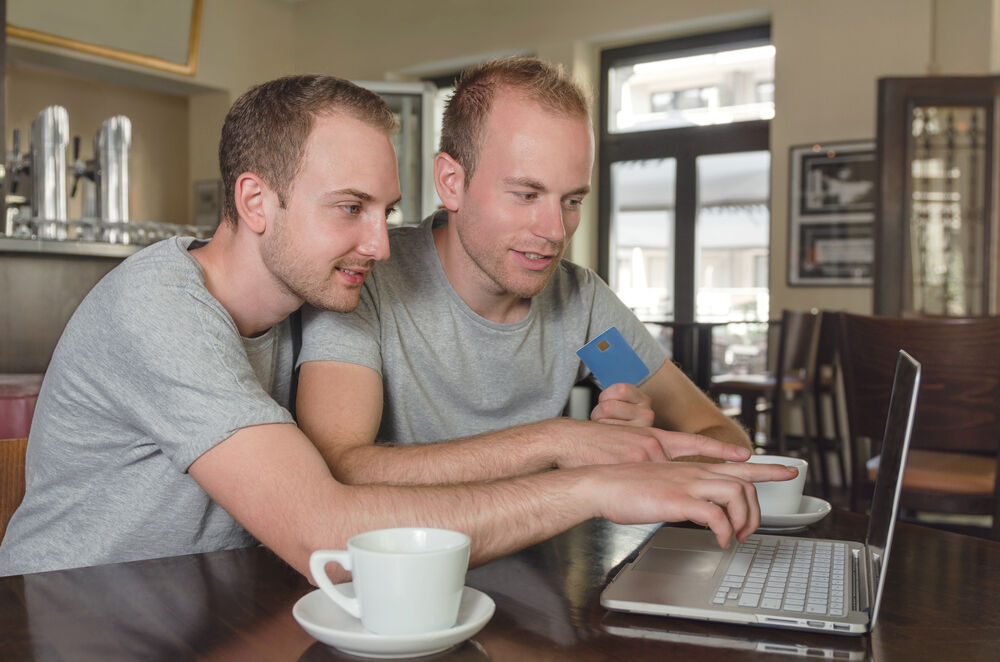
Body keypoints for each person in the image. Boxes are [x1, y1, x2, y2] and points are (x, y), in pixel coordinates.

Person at [0, 74, 794, 579]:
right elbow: (332, 515)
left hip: (229, 609)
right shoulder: (165, 312)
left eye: (383, 212)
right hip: (67, 623)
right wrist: (576, 462)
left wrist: (630, 413)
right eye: (350, 210)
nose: (381, 245)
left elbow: (662, 402)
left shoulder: (576, 309)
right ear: (253, 203)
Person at [295, 57, 751, 486]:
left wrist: (642, 449)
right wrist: (557, 444)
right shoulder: (364, 279)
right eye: (526, 195)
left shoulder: (582, 307)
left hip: (544, 562)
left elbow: (719, 435)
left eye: (572, 201)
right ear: (451, 183)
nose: (555, 231)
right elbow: (340, 468)